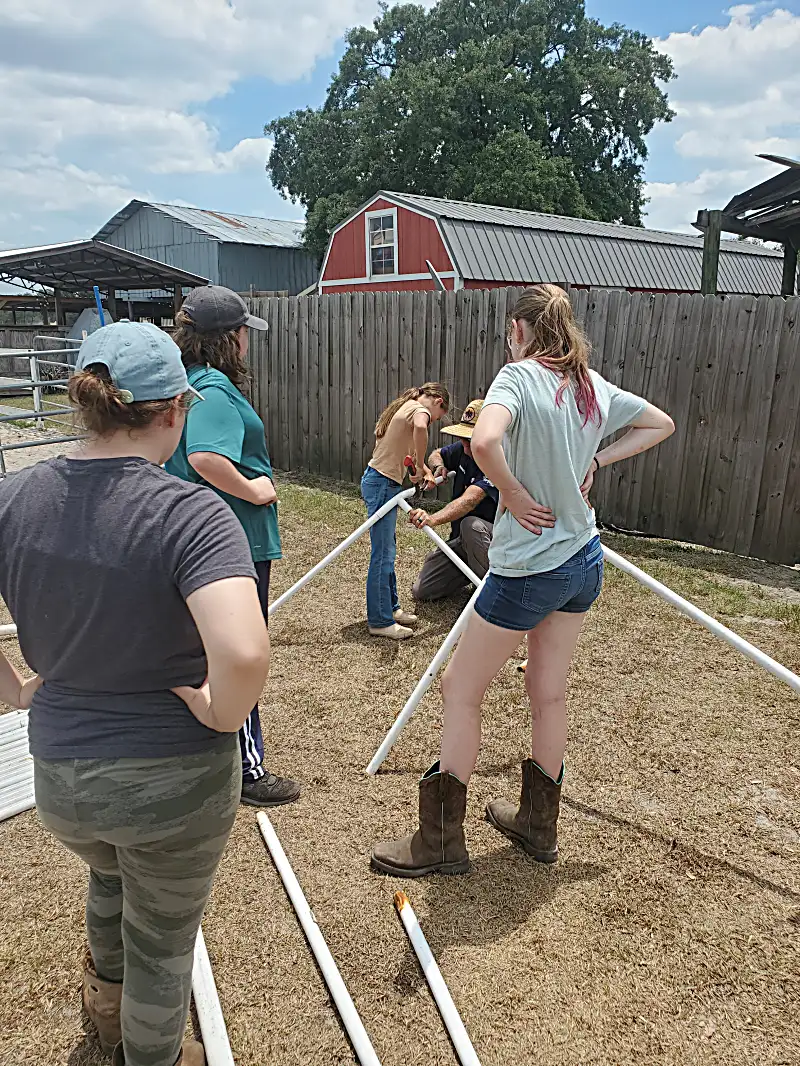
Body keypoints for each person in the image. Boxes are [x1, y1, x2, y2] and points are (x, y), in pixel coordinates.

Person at [0, 321, 271, 1066]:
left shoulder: (12, 497)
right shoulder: (190, 513)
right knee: (163, 941)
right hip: (173, 780)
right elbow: (244, 649)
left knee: (109, 870)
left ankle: (103, 1003)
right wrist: (222, 711)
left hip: (60, 778)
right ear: (176, 410)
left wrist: (16, 691)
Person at [371, 285, 675, 877]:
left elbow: (483, 441)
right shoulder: (591, 385)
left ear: (518, 329)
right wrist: (596, 461)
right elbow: (660, 424)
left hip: (529, 566)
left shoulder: (515, 378)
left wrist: (509, 490)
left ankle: (438, 842)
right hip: (583, 558)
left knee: (461, 688)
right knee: (548, 690)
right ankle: (539, 826)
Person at [168, 284, 300, 808]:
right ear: (230, 339)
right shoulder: (215, 389)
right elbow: (205, 456)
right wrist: (254, 488)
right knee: (239, 655)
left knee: (201, 651)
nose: (248, 341)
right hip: (233, 542)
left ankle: (203, 757)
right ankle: (247, 769)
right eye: (244, 332)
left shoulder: (187, 385)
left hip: (205, 539)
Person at [361, 383, 450, 640]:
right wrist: (422, 466)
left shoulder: (405, 407)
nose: (432, 421)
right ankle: (379, 621)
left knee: (388, 550)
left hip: (381, 482)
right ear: (434, 399)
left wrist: (420, 469)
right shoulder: (418, 409)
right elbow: (422, 426)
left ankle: (391, 608)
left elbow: (409, 452)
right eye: (437, 416)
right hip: (381, 484)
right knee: (382, 554)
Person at [409, 398, 500, 600]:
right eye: (463, 439)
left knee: (471, 524)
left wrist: (432, 519)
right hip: (461, 542)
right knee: (422, 591)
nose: (465, 446)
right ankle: (473, 572)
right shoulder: (463, 450)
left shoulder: (499, 460)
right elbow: (436, 453)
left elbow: (469, 500)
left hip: (496, 544)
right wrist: (438, 467)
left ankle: (494, 596)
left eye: (471, 440)